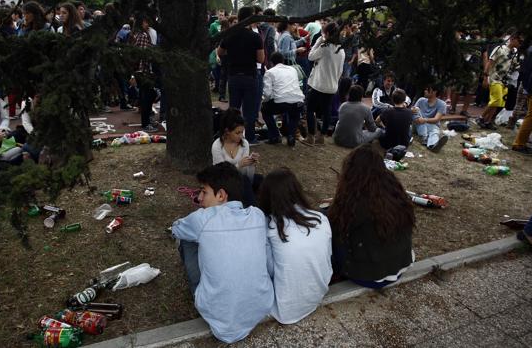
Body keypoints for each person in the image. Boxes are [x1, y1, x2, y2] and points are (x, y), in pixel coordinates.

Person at [172, 162, 273, 343]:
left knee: (187, 240)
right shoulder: (257, 215)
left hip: (216, 313)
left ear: (221, 195)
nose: (199, 198)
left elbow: (176, 228)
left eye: (203, 192)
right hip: (261, 305)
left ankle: (200, 287)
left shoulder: (202, 218)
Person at [329, 144, 415, 288]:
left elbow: (337, 227)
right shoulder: (393, 189)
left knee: (327, 233)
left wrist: (331, 209)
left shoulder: (354, 200)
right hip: (401, 264)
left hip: (370, 275)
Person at [258, 167, 332, 325]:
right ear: (297, 190)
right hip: (318, 293)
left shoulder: (271, 228)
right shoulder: (320, 217)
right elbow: (327, 256)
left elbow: (269, 270)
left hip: (286, 308)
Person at [218, 7, 264, 144]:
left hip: (234, 76)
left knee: (234, 109)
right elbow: (261, 59)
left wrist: (232, 53)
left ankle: (232, 135)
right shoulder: (255, 37)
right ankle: (250, 138)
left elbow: (220, 52)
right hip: (250, 75)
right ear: (250, 18)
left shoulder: (229, 34)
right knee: (249, 110)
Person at [304, 22, 345, 145]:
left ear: (327, 33)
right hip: (332, 86)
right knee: (326, 111)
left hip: (319, 85)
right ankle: (321, 136)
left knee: (310, 109)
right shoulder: (341, 50)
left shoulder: (325, 47)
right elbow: (340, 71)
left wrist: (318, 41)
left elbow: (310, 56)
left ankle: (310, 136)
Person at [211, 109, 261, 206]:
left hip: (241, 178)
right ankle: (252, 210)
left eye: (242, 132)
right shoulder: (217, 146)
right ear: (227, 131)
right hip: (223, 181)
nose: (241, 136)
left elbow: (248, 176)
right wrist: (239, 165)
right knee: (244, 181)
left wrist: (250, 164)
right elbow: (221, 175)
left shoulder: (244, 144)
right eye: (237, 133)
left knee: (261, 180)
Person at [477, 33, 522, 129]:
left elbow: (515, 66)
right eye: (519, 41)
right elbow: (490, 62)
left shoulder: (515, 52)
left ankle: (488, 121)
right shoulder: (500, 48)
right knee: (496, 100)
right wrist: (485, 77)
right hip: (495, 78)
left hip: (505, 80)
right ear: (513, 39)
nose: (520, 43)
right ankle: (481, 118)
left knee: (500, 102)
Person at [261, 52, 304, 147]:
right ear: (283, 61)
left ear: (271, 63)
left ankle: (275, 135)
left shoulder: (270, 72)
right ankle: (291, 136)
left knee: (265, 110)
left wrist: (264, 101)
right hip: (298, 100)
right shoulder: (293, 69)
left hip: (281, 101)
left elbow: (267, 94)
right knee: (293, 116)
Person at [412, 84, 449, 152]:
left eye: (427, 89)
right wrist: (413, 110)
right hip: (417, 125)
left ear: (434, 92)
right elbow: (414, 114)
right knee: (416, 109)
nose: (425, 91)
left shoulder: (442, 104)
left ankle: (432, 145)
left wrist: (424, 120)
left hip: (430, 126)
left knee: (434, 131)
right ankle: (424, 137)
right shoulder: (421, 100)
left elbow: (436, 119)